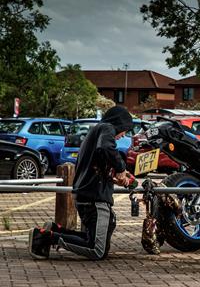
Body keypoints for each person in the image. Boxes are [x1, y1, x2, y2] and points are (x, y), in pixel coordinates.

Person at [28, 106, 133, 260]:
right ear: (120, 123)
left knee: (95, 238)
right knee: (97, 249)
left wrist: (115, 176)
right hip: (94, 199)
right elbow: (106, 147)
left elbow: (98, 161)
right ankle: (43, 237)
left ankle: (54, 230)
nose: (123, 135)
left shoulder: (95, 132)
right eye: (125, 130)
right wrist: (121, 168)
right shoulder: (107, 128)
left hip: (86, 194)